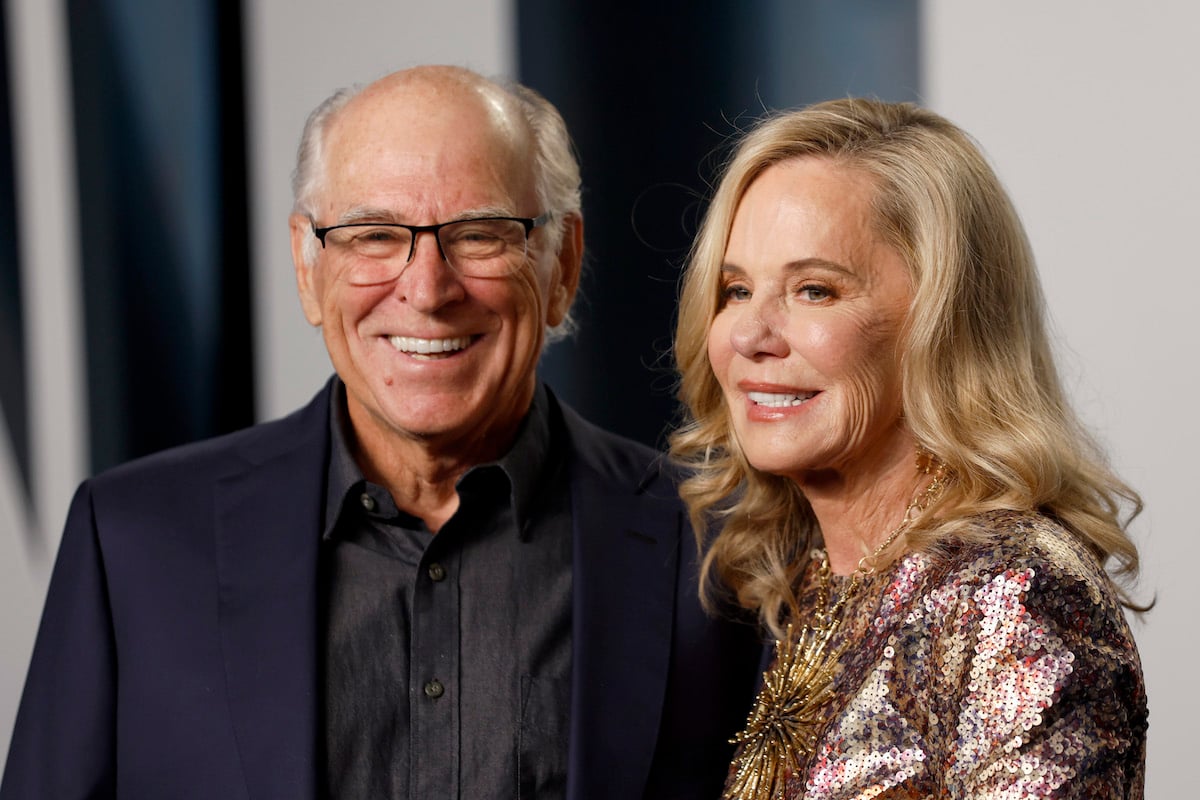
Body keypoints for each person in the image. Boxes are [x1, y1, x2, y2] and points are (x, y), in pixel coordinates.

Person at [1, 65, 762, 799]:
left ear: (561, 263)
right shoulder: (131, 544)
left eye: (479, 234)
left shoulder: (716, 553)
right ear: (307, 267)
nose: (426, 289)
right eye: (372, 235)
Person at [671, 98, 1148, 799]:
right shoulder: (818, 583)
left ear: (944, 321)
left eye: (814, 290)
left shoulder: (1010, 593)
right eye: (736, 289)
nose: (748, 334)